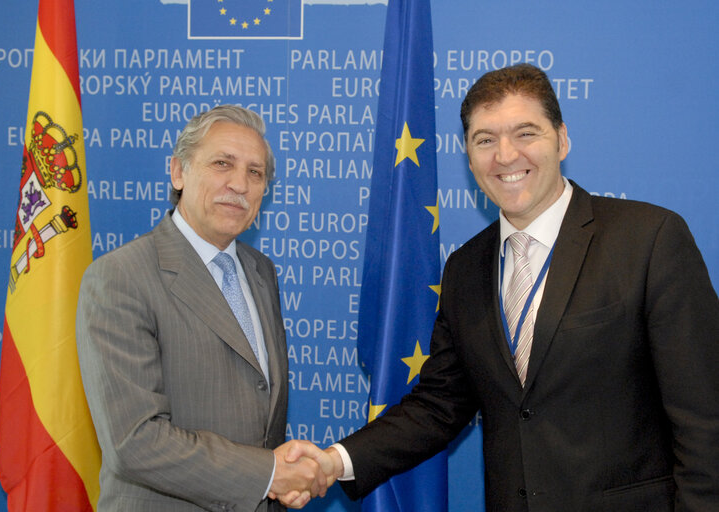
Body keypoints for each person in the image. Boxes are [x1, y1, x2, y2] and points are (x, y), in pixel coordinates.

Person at [285, 63, 719, 511]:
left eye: (525, 133)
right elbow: (440, 404)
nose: (506, 156)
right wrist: (335, 462)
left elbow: (706, 420)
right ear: (469, 157)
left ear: (562, 139)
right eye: (485, 140)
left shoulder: (648, 238)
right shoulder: (465, 268)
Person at [77, 105, 329, 511]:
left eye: (255, 172)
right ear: (178, 172)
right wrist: (268, 474)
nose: (239, 184)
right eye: (222, 163)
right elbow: (135, 441)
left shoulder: (261, 272)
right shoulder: (119, 277)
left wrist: (279, 478)